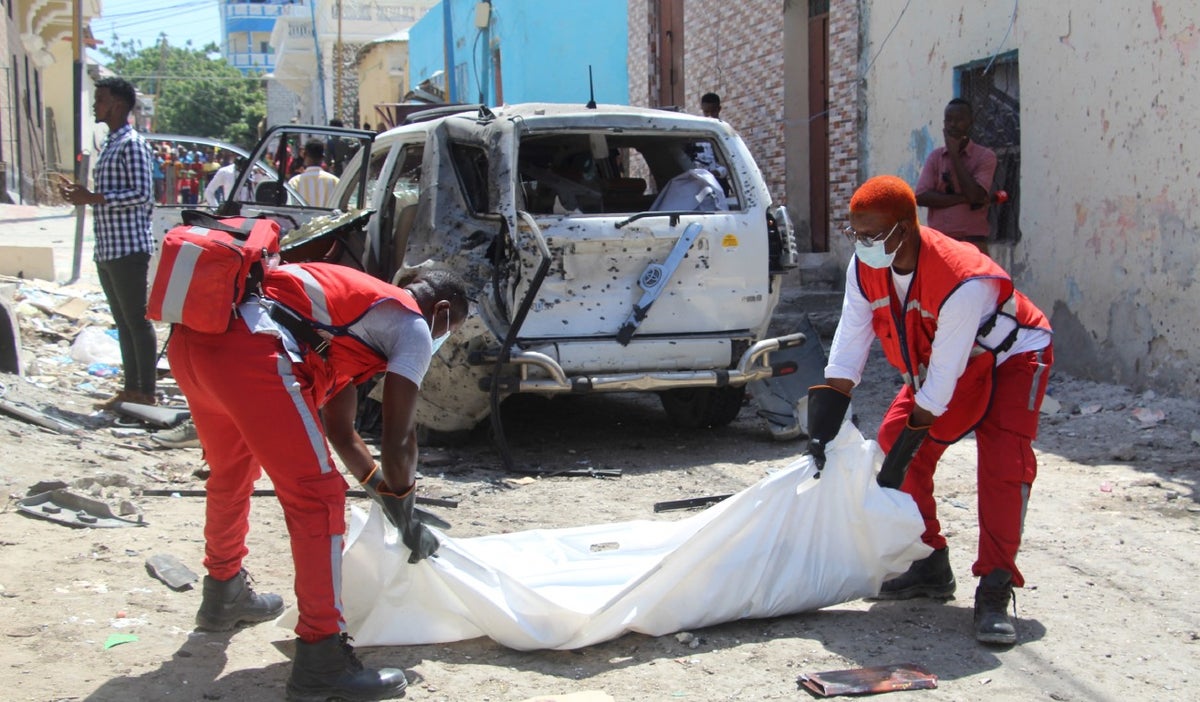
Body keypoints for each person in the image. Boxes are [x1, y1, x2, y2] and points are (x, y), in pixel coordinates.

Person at [168, 262, 471, 700]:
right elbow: (399, 438)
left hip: (197, 346)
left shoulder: (352, 313)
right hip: (254, 356)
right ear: (441, 311)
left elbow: (342, 431)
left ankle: (223, 592)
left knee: (232, 474)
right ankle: (322, 657)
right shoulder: (412, 325)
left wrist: (386, 496)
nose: (444, 338)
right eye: (452, 329)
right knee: (318, 499)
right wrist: (405, 513)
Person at [805, 175, 1053, 645]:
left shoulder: (961, 279)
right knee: (895, 440)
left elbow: (938, 391)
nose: (864, 244)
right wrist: (822, 429)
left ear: (906, 227)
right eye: (856, 233)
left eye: (873, 234)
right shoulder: (865, 268)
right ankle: (929, 564)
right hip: (943, 359)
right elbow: (848, 347)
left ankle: (996, 587)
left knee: (1002, 465)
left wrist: (895, 468)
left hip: (1010, 357)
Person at [57, 77, 158, 409]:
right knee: (124, 323)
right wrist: (83, 196)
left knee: (136, 322)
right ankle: (132, 390)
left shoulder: (132, 143)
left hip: (129, 248)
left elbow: (143, 195)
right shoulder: (111, 144)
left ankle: (146, 393)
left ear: (116, 105)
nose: (95, 105)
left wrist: (95, 197)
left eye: (100, 100)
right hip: (109, 248)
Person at [915, 98, 998, 255]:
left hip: (972, 243)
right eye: (949, 120)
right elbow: (921, 196)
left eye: (959, 120)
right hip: (939, 243)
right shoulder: (935, 157)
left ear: (970, 122)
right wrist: (963, 198)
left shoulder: (985, 157)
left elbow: (974, 194)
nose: (953, 125)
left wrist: (954, 154)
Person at [287, 139, 340, 207]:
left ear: (304, 155)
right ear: (323, 157)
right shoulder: (335, 182)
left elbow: (291, 208)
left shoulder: (295, 182)